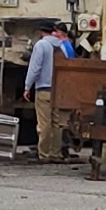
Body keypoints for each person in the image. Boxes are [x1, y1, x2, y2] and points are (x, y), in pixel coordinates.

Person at [23, 20, 65, 162]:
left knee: (44, 123)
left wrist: (27, 86)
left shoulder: (41, 45)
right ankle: (56, 152)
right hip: (58, 90)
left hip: (44, 88)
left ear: (41, 32)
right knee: (57, 123)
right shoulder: (61, 46)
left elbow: (35, 68)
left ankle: (44, 154)